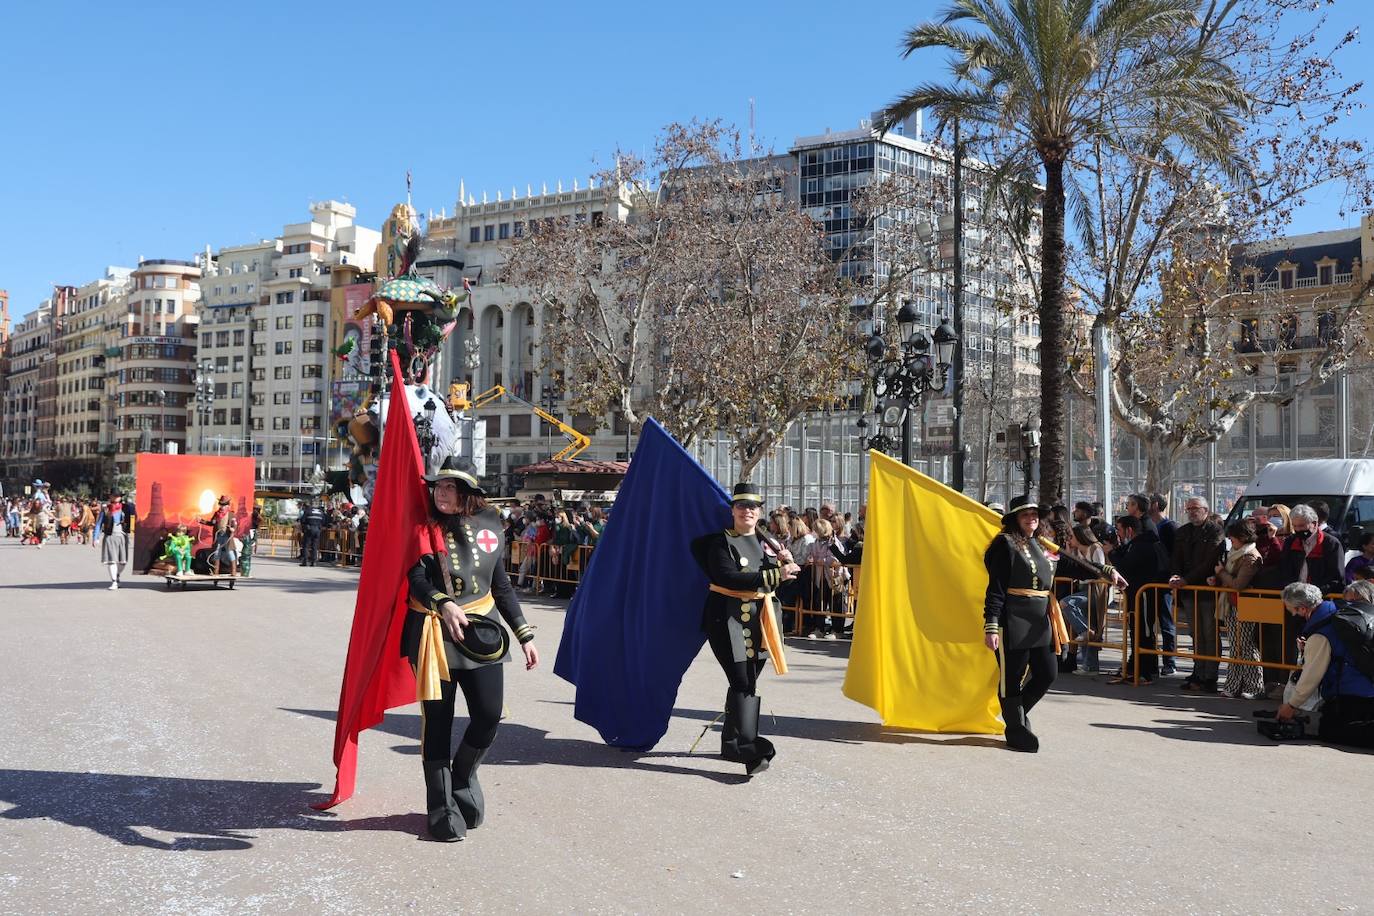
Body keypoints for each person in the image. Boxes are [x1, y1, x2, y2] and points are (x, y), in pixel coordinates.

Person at [403, 458, 538, 842]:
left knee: (489, 714)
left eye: (449, 488)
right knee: (438, 722)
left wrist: (525, 634)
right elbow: (414, 577)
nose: (440, 493)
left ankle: (462, 776)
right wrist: (442, 602)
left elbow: (502, 585)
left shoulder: (492, 526)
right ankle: (441, 808)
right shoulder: (423, 526)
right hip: (433, 633)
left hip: (483, 633)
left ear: (467, 493)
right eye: (438, 487)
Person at [983, 496, 1126, 752]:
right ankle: (1016, 729)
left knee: (1048, 673)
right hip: (1012, 619)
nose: (1031, 519)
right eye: (1025, 515)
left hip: (1041, 620)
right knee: (1011, 678)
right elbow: (996, 589)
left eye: (1035, 515)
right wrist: (991, 624)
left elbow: (1075, 566)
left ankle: (1015, 717)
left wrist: (1107, 572)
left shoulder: (1043, 544)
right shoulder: (1004, 545)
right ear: (1015, 519)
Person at [691, 483, 801, 775]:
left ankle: (731, 743)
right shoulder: (720, 542)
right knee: (742, 681)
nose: (747, 511)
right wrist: (778, 572)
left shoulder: (768, 546)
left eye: (753, 506)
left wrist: (787, 568)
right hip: (726, 620)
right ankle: (748, 748)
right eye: (741, 505)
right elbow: (728, 577)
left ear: (759, 512)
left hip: (760, 621)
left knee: (747, 681)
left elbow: (775, 584)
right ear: (733, 510)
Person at [1275, 581, 1374, 748]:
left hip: (1354, 695)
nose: (1293, 615)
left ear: (1303, 609)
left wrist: (1291, 705)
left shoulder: (1320, 634)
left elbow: (1311, 676)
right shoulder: (1339, 612)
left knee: (1329, 731)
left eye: (1292, 610)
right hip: (1367, 687)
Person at [1107, 515, 1171, 685]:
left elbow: (1125, 567)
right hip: (1135, 595)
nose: (1118, 534)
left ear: (1129, 530)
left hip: (1143, 596)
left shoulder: (1143, 546)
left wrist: (1111, 553)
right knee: (1136, 632)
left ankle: (1145, 671)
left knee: (1144, 633)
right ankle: (1135, 666)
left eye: (1119, 530)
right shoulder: (1135, 544)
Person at [1170, 497, 1224, 691]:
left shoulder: (1215, 531)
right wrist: (1176, 576)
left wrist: (1187, 579)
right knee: (1195, 633)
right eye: (1189, 508)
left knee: (1210, 633)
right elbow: (1176, 557)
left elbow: (1210, 561)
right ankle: (1198, 672)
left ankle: (1210, 676)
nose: (1192, 511)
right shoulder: (1183, 532)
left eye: (1196, 508)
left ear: (1206, 510)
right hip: (1187, 591)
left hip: (1206, 590)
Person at [1209, 520, 1265, 699]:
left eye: (1232, 537)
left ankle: (1254, 687)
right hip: (1234, 604)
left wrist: (1220, 574)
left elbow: (1238, 584)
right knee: (1236, 647)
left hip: (1245, 605)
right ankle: (1234, 686)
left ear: (1242, 537)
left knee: (1246, 647)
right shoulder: (1236, 553)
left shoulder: (1250, 557)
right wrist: (1217, 578)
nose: (1230, 540)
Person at [94, 496, 131, 589]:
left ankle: (117, 575)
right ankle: (114, 581)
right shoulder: (106, 509)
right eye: (113, 495)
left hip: (122, 536)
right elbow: (98, 524)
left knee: (123, 562)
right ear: (110, 497)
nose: (115, 497)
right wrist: (96, 538)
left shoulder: (126, 507)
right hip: (110, 535)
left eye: (117, 496)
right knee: (112, 560)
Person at [299, 498, 327, 567]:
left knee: (306, 545)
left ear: (311, 504)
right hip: (317, 529)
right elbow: (324, 521)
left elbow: (302, 520)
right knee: (314, 546)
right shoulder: (321, 512)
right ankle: (313, 561)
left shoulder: (308, 511)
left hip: (309, 528)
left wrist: (305, 527)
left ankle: (305, 561)